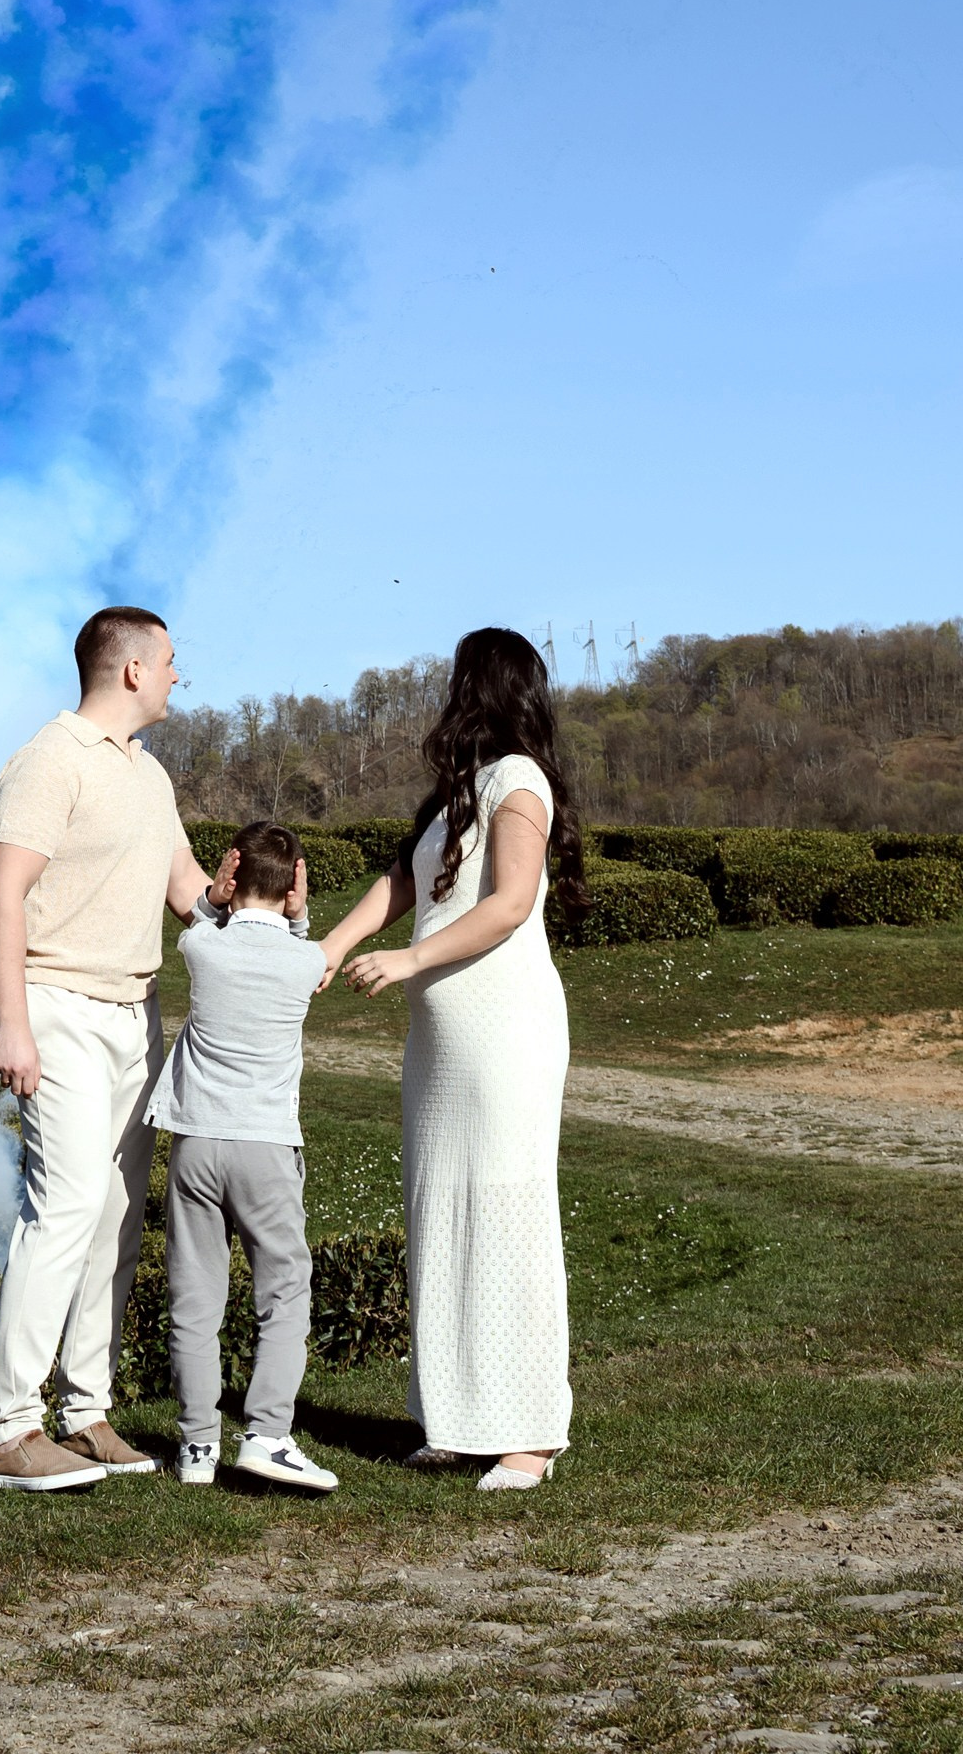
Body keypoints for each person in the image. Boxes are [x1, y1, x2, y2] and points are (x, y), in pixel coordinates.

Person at [318, 626, 580, 1490]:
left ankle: (527, 1435)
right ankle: (456, 1418)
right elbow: (402, 882)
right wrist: (333, 947)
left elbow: (509, 905)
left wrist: (408, 960)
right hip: (445, 1038)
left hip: (504, 1029)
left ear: (484, 685)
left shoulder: (520, 781)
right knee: (441, 1209)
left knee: (505, 1209)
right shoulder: (457, 792)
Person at [0, 604, 213, 1493]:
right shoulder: (48, 760)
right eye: (170, 662)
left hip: (135, 1014)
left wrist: (256, 917)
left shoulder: (148, 776)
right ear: (131, 672)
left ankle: (85, 1413)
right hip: (58, 1007)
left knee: (114, 1217)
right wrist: (13, 1022)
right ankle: (9, 1430)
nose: (177, 676)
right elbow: (4, 892)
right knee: (65, 1207)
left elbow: (185, 889)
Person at [148, 819, 339, 1494]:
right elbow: (301, 938)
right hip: (265, 1145)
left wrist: (214, 897)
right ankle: (266, 1434)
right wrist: (301, 910)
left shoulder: (203, 946)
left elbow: (200, 918)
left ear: (232, 873)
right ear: (291, 886)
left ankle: (198, 1446)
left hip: (196, 1141)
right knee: (283, 1294)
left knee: (195, 1299)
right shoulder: (306, 959)